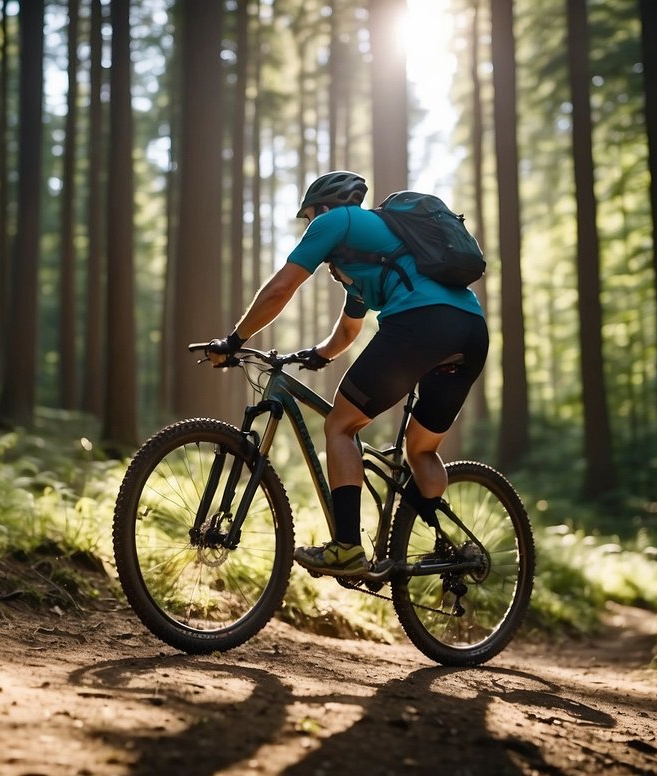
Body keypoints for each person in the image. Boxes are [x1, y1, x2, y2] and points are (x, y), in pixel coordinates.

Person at [206, 170, 489, 579]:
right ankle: (442, 542)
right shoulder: (370, 257)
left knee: (341, 425)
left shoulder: (335, 222)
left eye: (309, 217)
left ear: (322, 209)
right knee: (421, 450)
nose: (310, 225)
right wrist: (319, 354)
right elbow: (349, 330)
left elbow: (281, 288)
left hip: (421, 324)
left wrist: (234, 339)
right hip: (470, 331)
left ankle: (346, 549)